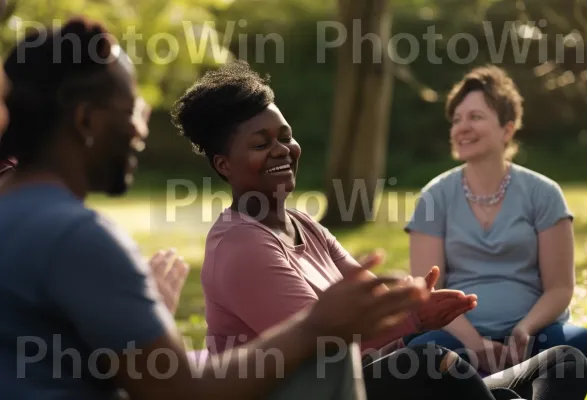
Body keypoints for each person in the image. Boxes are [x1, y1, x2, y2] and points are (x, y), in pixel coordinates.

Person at [0, 18, 438, 400]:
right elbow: (181, 390)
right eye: (133, 108)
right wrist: (316, 328)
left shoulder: (18, 215)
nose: (140, 129)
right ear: (86, 121)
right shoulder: (78, 238)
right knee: (338, 362)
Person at [170, 59, 587, 400]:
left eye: (285, 136)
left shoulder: (303, 226)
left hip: (368, 379)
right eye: (262, 144)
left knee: (565, 361)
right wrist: (414, 317)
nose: (282, 150)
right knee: (430, 361)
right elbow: (327, 344)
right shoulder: (241, 244)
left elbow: (373, 299)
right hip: (315, 390)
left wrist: (414, 300)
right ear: (224, 164)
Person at [404, 64, 587, 384]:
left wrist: (524, 330)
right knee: (420, 360)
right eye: (456, 120)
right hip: (458, 339)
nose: (462, 127)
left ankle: (517, 379)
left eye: (475, 117)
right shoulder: (433, 197)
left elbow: (561, 287)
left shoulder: (544, 193)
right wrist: (475, 343)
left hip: (535, 337)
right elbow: (428, 291)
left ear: (507, 130)